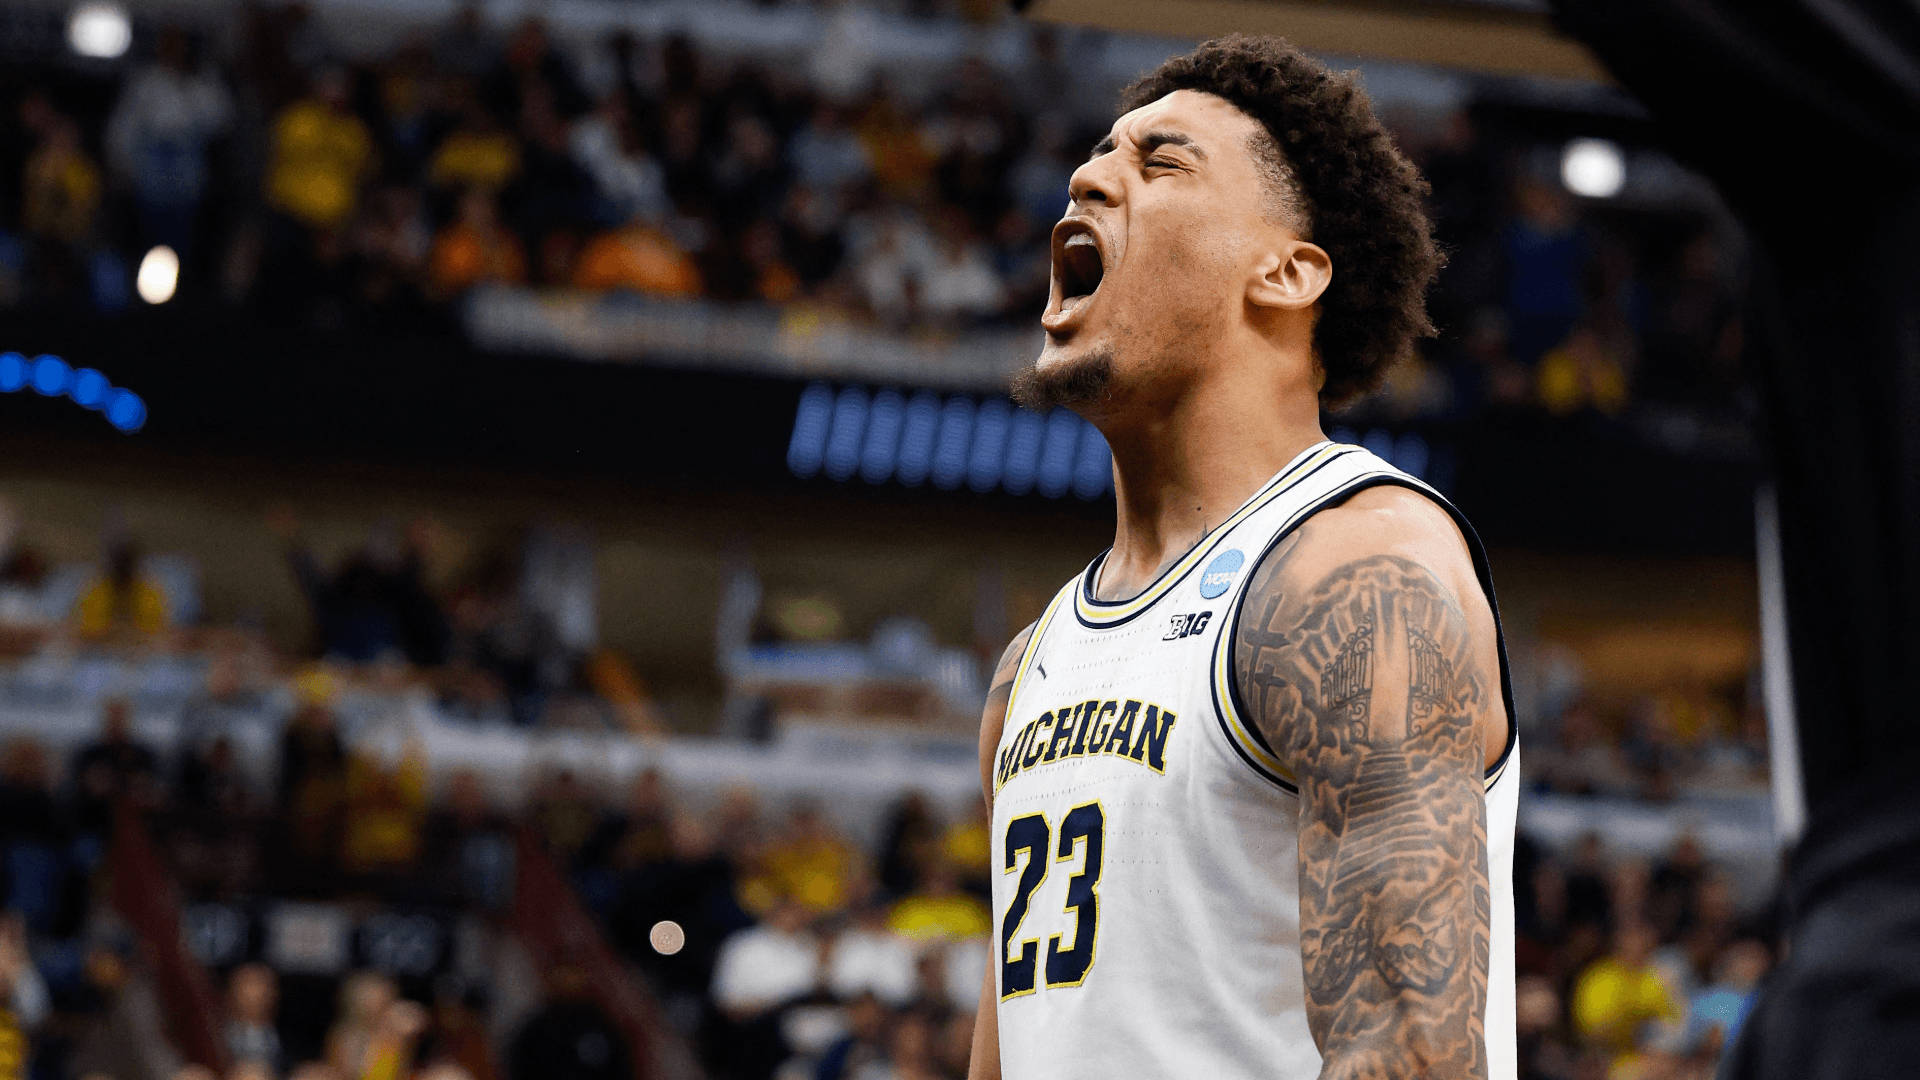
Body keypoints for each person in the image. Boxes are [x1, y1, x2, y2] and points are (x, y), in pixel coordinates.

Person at [966, 36, 1517, 1080]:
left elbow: (1410, 1055)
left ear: (1287, 269)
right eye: (1099, 154)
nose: (1088, 176)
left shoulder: (1354, 573)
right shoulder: (1027, 667)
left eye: (1160, 161)